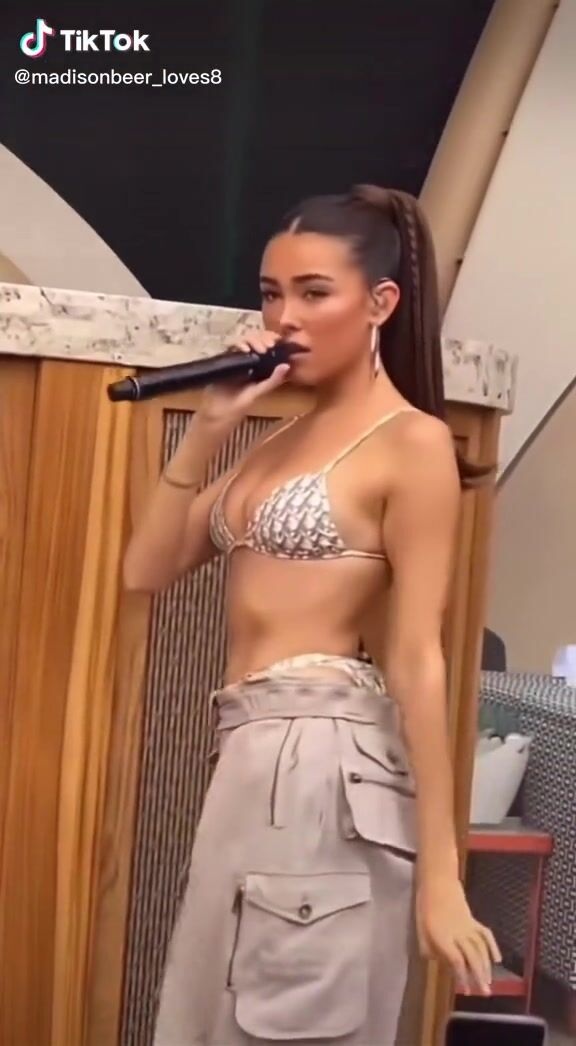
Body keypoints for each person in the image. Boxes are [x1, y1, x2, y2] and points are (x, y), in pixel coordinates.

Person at [123, 184, 501, 1045]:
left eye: (314, 292)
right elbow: (145, 570)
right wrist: (209, 427)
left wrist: (443, 873)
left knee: (287, 1018)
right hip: (250, 750)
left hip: (326, 757)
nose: (284, 317)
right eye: (271, 293)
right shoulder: (281, 443)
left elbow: (418, 656)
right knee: (211, 1015)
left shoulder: (411, 442)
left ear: (380, 304)